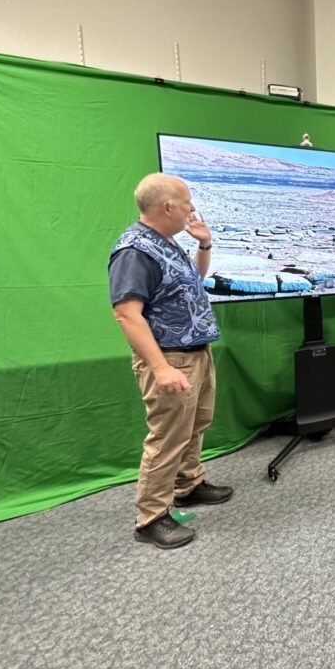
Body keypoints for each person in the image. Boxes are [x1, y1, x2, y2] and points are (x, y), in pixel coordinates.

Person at [108, 173, 232, 549]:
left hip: (195, 352)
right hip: (170, 358)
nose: (191, 208)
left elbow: (192, 280)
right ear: (166, 207)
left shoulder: (166, 243)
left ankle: (188, 484)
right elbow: (127, 314)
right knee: (167, 438)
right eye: (186, 202)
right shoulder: (135, 250)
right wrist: (160, 368)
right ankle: (150, 519)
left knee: (194, 425)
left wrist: (205, 244)